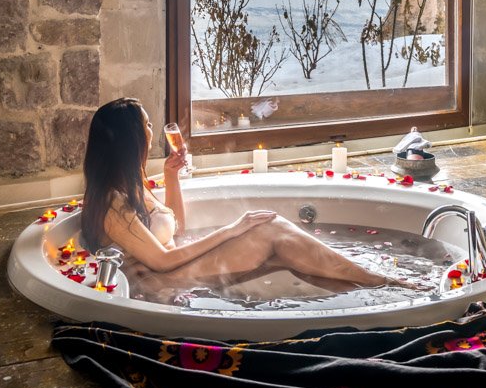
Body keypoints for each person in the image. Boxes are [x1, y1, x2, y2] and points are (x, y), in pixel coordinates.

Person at [80, 98, 410, 290]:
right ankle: (381, 284)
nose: (153, 132)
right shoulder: (112, 202)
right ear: (130, 140)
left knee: (284, 253)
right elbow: (162, 260)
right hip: (159, 282)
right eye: (147, 126)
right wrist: (232, 228)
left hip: (174, 266)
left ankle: (372, 291)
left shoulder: (134, 185)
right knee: (271, 232)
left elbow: (175, 229)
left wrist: (171, 176)